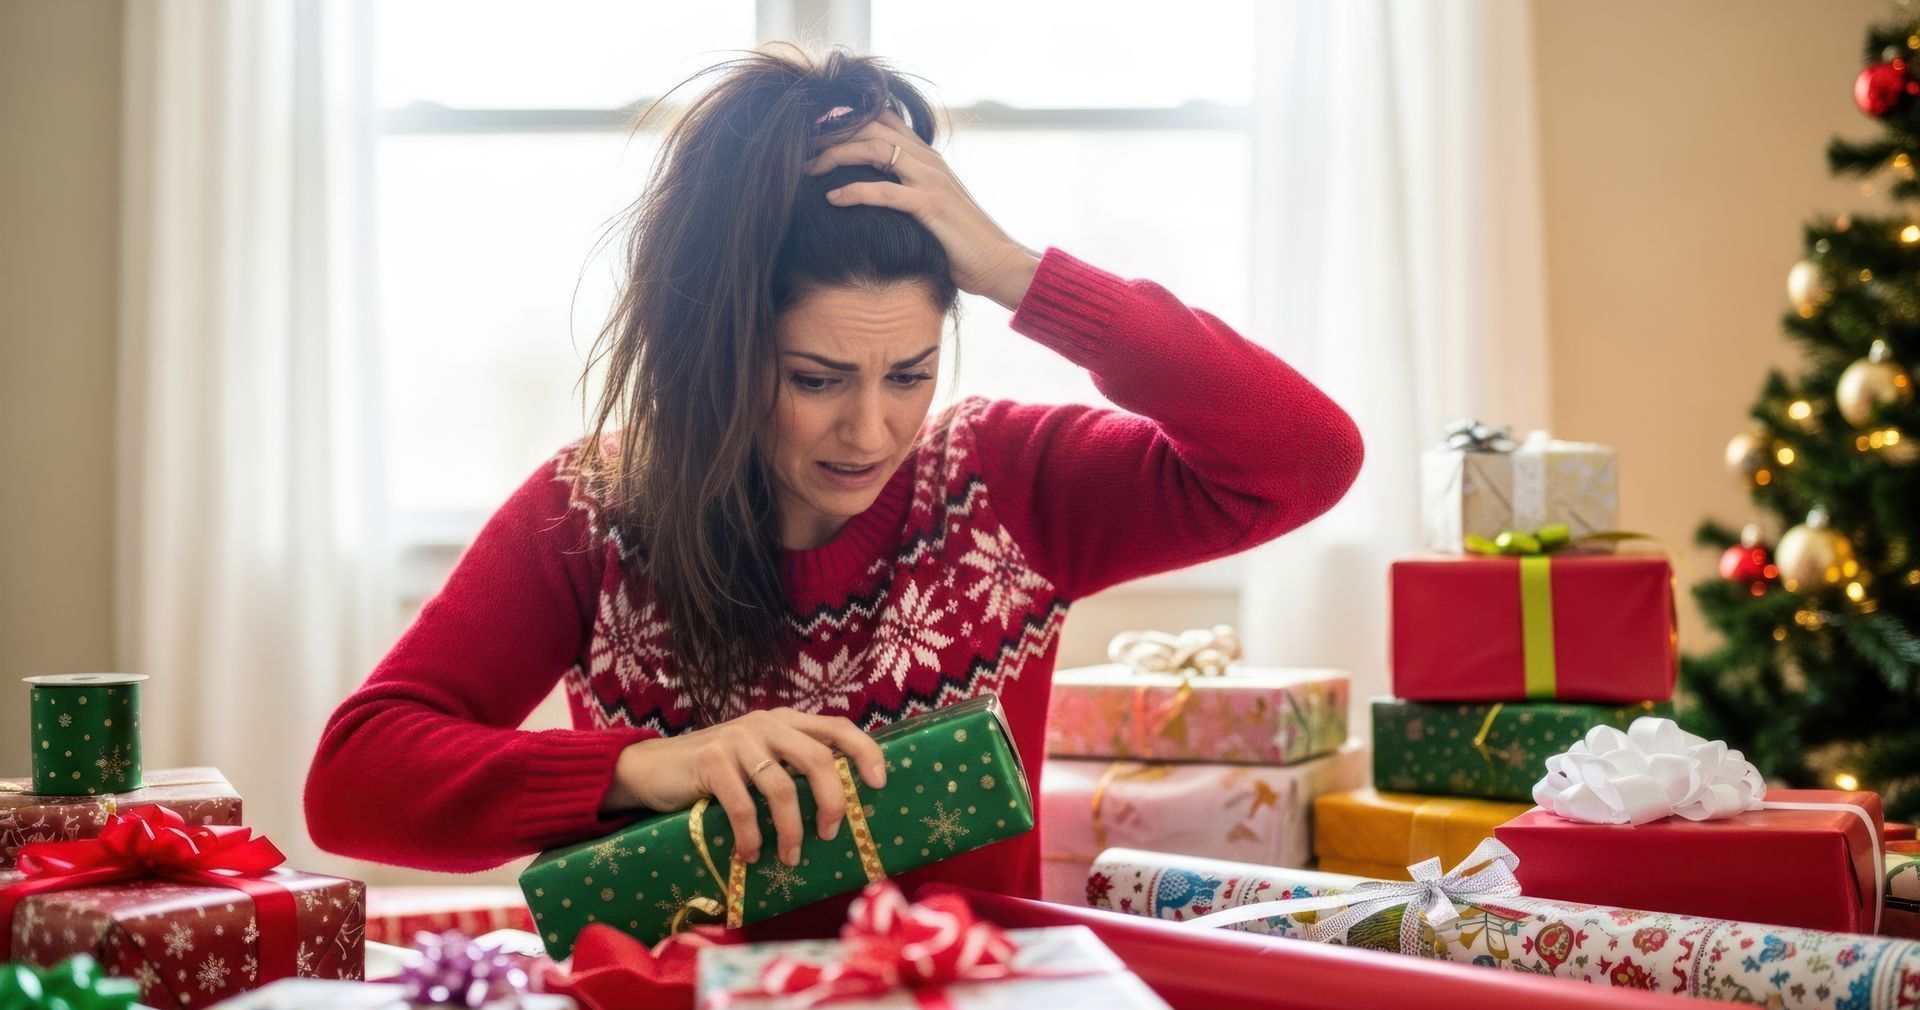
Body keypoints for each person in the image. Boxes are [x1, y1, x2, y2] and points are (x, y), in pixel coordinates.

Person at [304, 44, 1363, 914]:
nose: (872, 428)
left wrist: (1015, 272)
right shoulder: (593, 513)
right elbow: (353, 783)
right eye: (816, 378)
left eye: (910, 372)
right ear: (718, 352)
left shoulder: (1008, 485)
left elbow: (1306, 457)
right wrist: (645, 768)